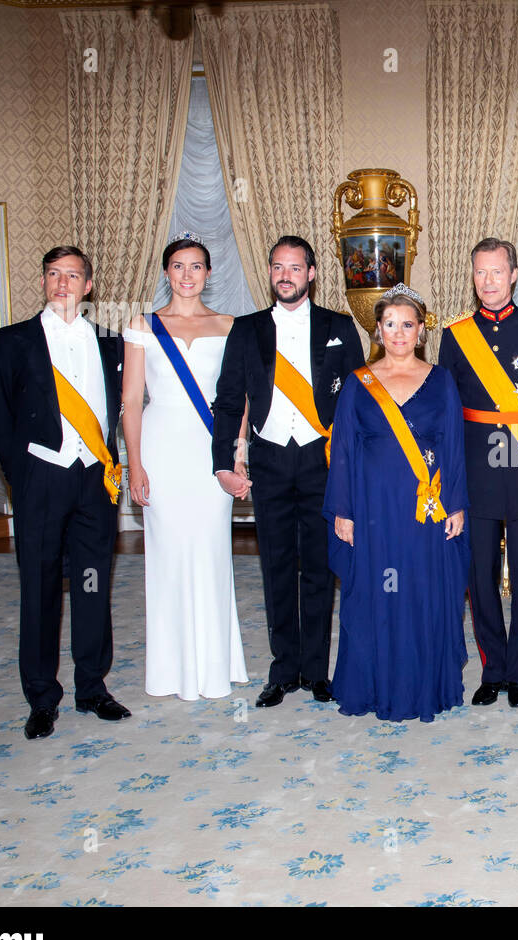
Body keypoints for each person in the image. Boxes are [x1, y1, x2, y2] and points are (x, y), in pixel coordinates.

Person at [0, 245, 129, 739]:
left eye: (73, 275)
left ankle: (92, 687)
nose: (62, 283)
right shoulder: (11, 341)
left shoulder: (111, 342)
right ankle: (42, 696)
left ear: (88, 286)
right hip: (41, 477)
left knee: (92, 582)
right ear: (44, 282)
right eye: (53, 274)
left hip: (94, 480)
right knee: (40, 587)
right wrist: (21, 474)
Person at [211, 235, 365, 708]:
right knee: (277, 565)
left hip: (323, 460)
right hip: (271, 460)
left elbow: (359, 403)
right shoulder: (247, 329)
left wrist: (357, 468)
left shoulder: (339, 325)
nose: (285, 275)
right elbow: (230, 397)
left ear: (312, 273)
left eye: (295, 268)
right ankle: (283, 670)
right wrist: (224, 461)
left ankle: (317, 671)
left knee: (319, 566)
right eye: (278, 267)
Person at [324, 285, 470, 721]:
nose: (399, 333)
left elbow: (454, 447)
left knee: (422, 590)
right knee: (375, 591)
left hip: (425, 508)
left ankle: (421, 685)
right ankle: (373, 684)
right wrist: (344, 510)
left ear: (421, 331)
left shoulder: (441, 380)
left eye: (408, 324)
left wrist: (457, 503)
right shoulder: (357, 382)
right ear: (378, 330)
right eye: (390, 324)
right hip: (372, 509)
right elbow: (344, 450)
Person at [438, 237, 518, 708]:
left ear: (513, 274)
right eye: (480, 273)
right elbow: (447, 409)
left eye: (496, 272)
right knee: (479, 574)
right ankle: (492, 667)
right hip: (474, 468)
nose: (488, 281)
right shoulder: (455, 335)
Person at [122, 236, 249, 700]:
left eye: (196, 267)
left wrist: (237, 453)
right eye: (178, 266)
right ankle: (171, 670)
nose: (187, 275)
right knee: (169, 553)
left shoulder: (231, 325)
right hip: (161, 447)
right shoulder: (142, 325)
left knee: (212, 549)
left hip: (210, 451)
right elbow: (132, 400)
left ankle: (216, 664)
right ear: (166, 272)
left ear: (209, 274)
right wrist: (134, 465)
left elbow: (240, 399)